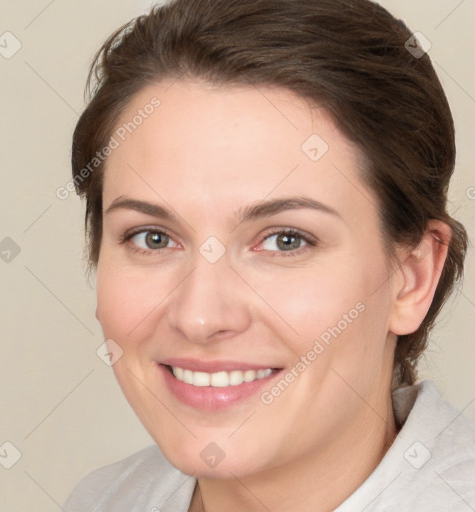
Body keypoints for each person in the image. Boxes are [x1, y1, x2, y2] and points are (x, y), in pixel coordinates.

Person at [63, 0, 475, 510]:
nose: (199, 316)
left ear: (412, 277)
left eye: (286, 240)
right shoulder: (104, 499)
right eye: (153, 237)